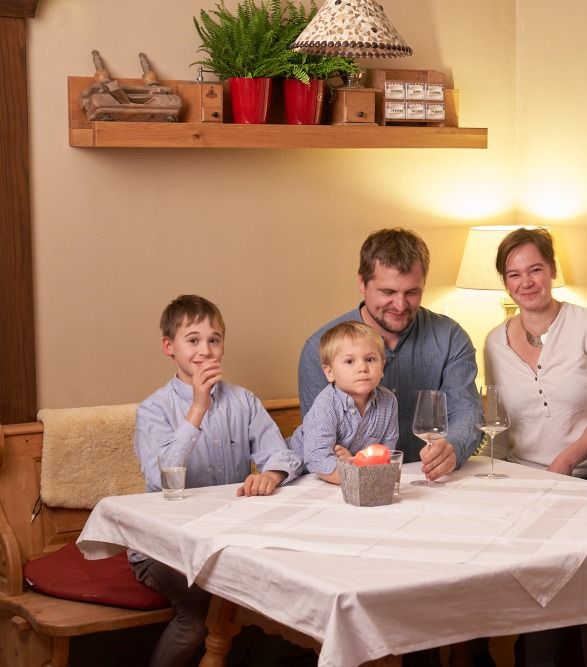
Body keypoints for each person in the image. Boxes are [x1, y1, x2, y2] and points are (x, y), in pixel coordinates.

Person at [132, 295, 302, 667]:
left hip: (227, 540)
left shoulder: (244, 402)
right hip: (162, 547)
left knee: (275, 601)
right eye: (192, 340)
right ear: (169, 347)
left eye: (214, 339)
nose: (205, 350)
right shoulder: (154, 409)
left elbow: (283, 453)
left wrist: (271, 474)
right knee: (197, 617)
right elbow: (161, 479)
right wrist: (197, 408)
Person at [298, 228, 482, 482]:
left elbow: (467, 412)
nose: (400, 305)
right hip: (347, 487)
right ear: (362, 282)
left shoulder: (451, 338)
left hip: (432, 482)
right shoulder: (317, 349)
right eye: (388, 292)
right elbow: (319, 443)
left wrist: (452, 447)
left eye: (412, 292)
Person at [484, 227, 587, 480]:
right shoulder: (494, 342)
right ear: (505, 283)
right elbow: (498, 428)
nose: (526, 283)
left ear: (552, 270)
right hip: (519, 476)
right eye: (514, 275)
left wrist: (566, 461)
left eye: (535, 270)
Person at [290, 321, 398, 484]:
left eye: (370, 359)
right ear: (330, 372)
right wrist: (357, 470)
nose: (362, 368)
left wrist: (353, 462)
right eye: (349, 361)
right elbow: (318, 460)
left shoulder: (388, 401)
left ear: (382, 367)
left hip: (349, 475)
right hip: (302, 474)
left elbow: (386, 454)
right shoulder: (326, 405)